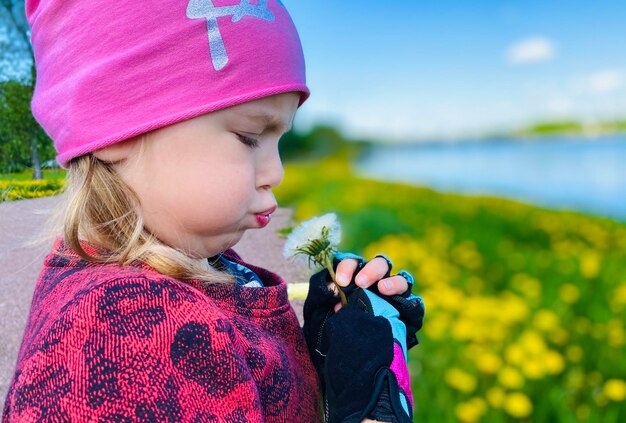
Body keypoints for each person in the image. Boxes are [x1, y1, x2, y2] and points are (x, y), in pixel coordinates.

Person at [3, 1, 424, 422]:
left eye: (278, 139)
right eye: (248, 136)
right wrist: (373, 408)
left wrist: (320, 357)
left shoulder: (189, 272)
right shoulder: (120, 333)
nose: (275, 172)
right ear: (115, 131)